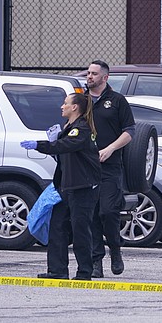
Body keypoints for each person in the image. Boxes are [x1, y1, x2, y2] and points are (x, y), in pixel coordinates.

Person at [22, 93, 101, 280]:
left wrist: (41, 145)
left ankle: (84, 273)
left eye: (65, 103)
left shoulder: (81, 129)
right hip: (66, 186)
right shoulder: (69, 128)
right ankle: (57, 270)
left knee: (81, 229)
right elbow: (65, 155)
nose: (62, 106)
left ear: (75, 108)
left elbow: (66, 146)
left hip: (84, 187)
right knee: (57, 226)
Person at [86, 60, 135, 278]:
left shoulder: (117, 101)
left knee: (108, 211)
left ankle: (115, 249)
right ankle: (97, 261)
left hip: (110, 166)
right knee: (92, 214)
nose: (89, 77)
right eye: (88, 73)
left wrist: (110, 149)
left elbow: (129, 131)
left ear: (105, 78)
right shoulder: (82, 100)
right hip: (86, 167)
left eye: (94, 74)